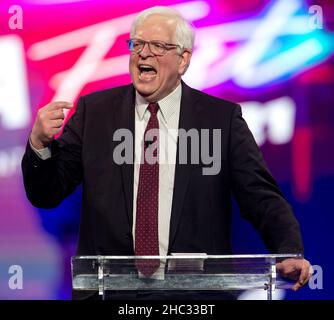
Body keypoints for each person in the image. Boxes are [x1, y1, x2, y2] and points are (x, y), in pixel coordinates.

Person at [22, 6, 312, 299]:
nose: (144, 54)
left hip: (193, 297)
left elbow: (260, 195)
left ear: (184, 59)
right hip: (111, 294)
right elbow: (47, 194)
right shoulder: (93, 113)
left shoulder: (220, 119)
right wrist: (39, 145)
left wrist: (288, 250)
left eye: (158, 46)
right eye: (137, 44)